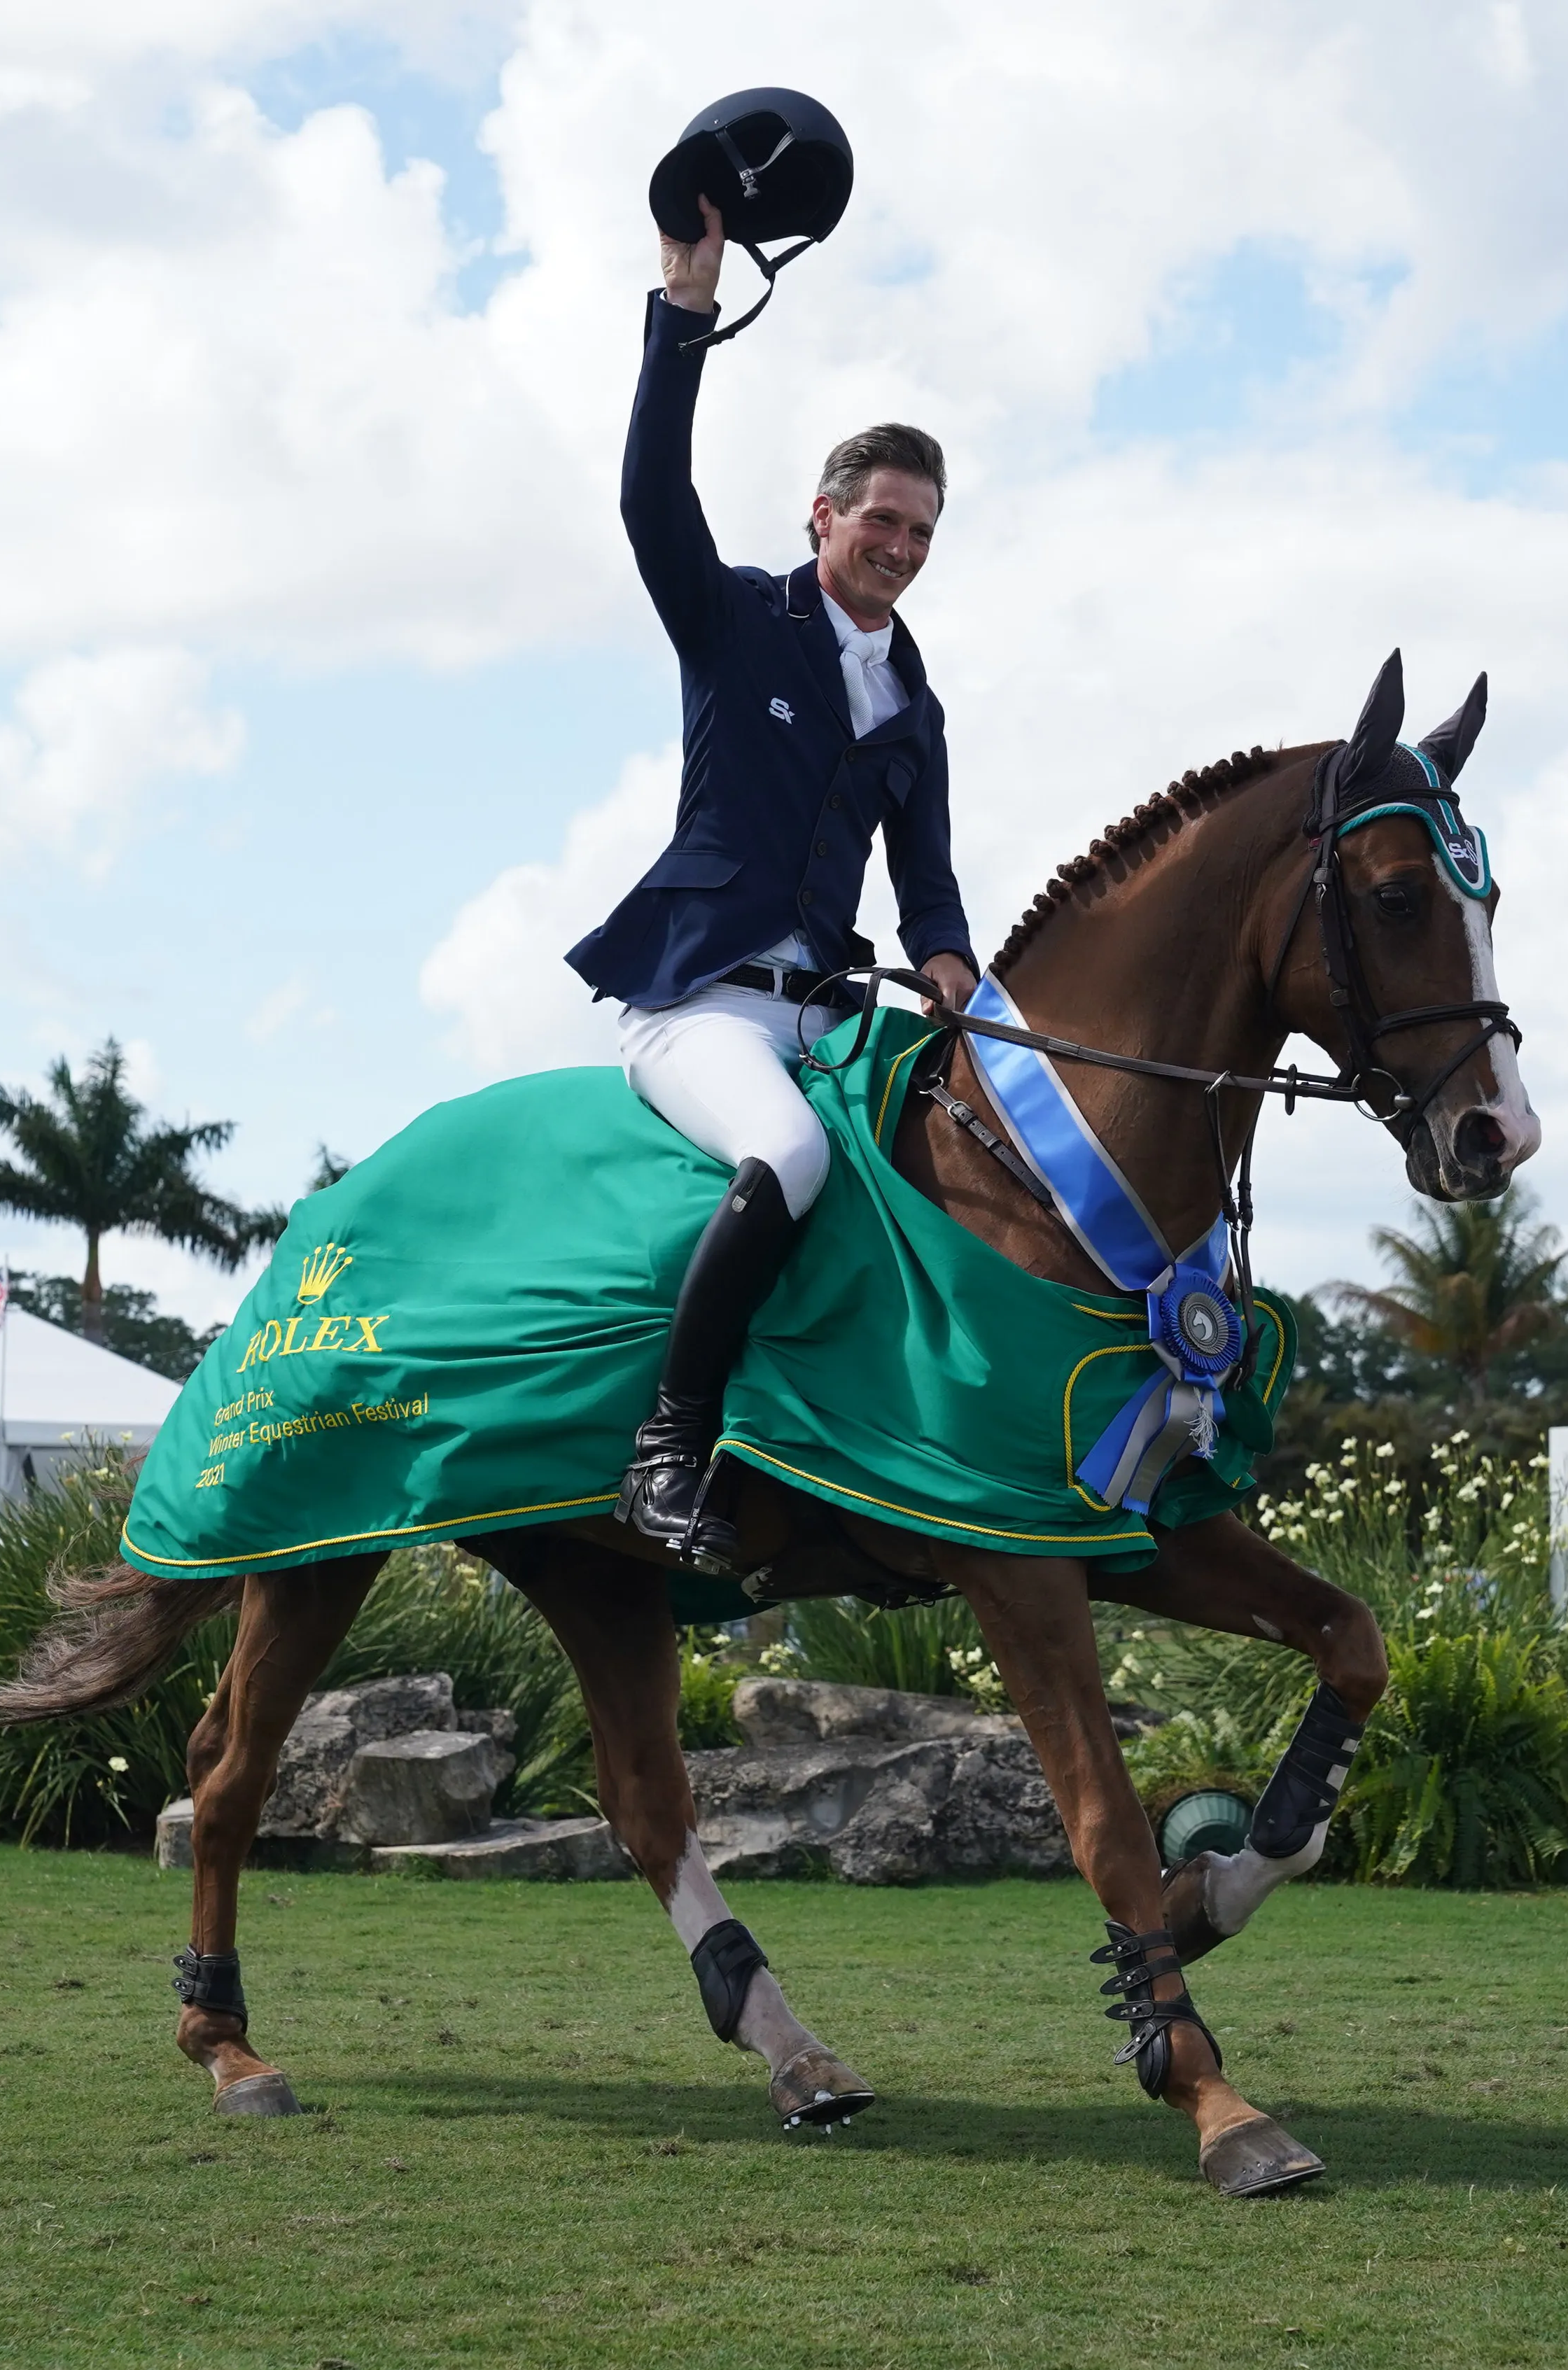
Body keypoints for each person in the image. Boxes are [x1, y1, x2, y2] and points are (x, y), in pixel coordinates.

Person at [568, 196, 980, 1570]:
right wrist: (682, 309)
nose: (902, 548)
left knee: (945, 1171)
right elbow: (646, 500)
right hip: (699, 1005)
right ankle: (666, 1451)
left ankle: (876, 1475)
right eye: (881, 521)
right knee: (793, 1153)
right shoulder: (738, 620)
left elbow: (926, 887)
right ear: (823, 516)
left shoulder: (913, 706)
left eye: (922, 532)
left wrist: (950, 963)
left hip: (826, 1015)